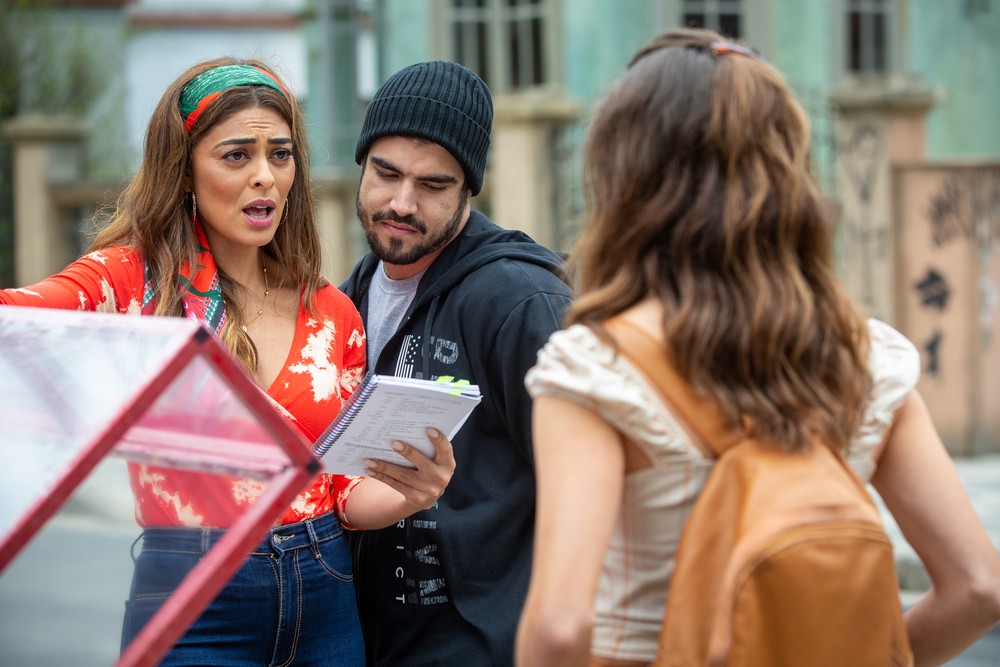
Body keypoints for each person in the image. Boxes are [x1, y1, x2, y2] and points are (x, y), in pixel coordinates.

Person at [514, 28, 1000, 667]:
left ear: (626, 180)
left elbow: (558, 629)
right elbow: (978, 587)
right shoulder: (869, 360)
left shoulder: (597, 370)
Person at [0, 56, 456, 666]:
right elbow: (17, 317)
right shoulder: (134, 285)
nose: (265, 177)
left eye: (281, 154)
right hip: (191, 594)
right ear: (185, 170)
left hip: (325, 587)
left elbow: (343, 492)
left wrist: (410, 493)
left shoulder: (330, 311)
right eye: (236, 155)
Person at [339, 60, 575, 665]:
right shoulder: (352, 292)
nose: (401, 202)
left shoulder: (520, 301)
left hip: (484, 646)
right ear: (360, 166)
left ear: (470, 188)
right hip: (370, 640)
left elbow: (582, 488)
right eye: (385, 173)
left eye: (433, 185)